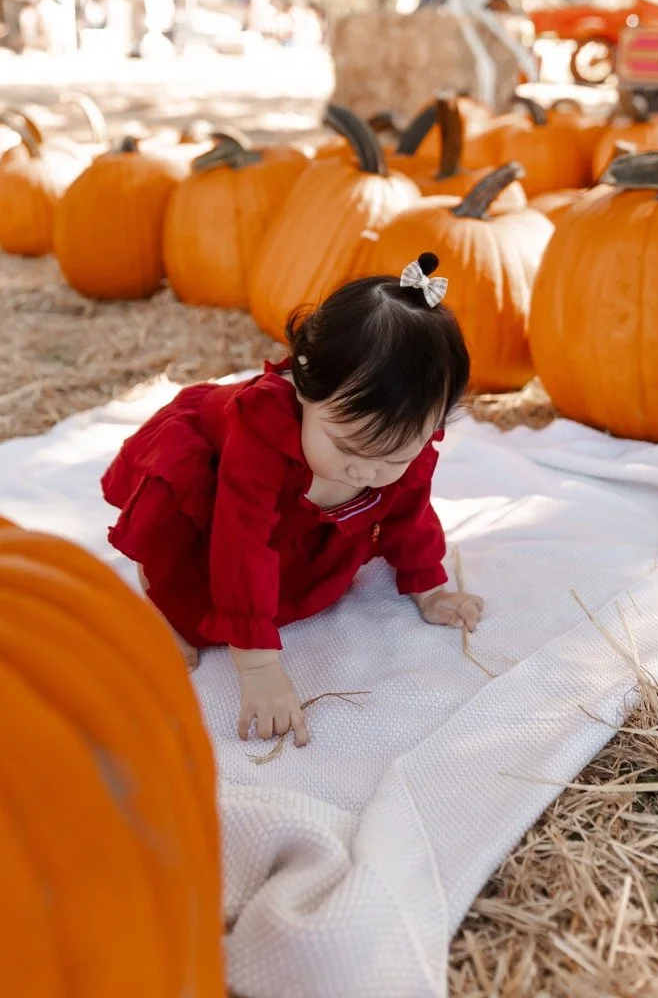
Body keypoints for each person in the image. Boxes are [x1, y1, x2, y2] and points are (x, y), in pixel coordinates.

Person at [102, 253, 482, 747]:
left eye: (393, 456)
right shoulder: (261, 429)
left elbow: (408, 514)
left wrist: (430, 588)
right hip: (215, 495)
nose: (367, 471)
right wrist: (259, 667)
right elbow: (241, 541)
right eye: (346, 446)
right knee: (189, 579)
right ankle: (157, 597)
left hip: (295, 511)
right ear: (305, 387)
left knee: (311, 574)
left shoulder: (401, 446)